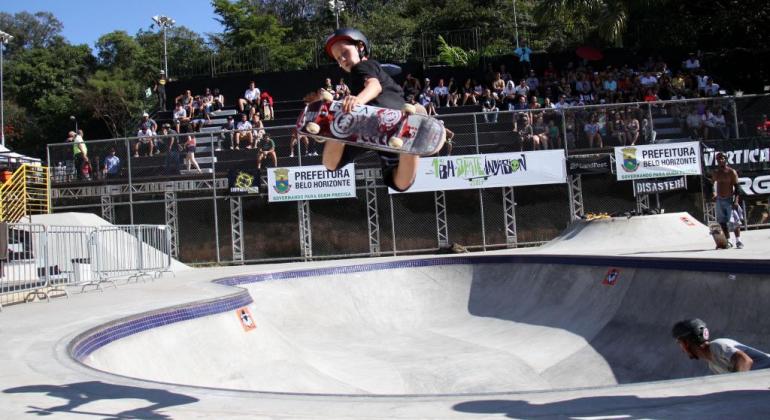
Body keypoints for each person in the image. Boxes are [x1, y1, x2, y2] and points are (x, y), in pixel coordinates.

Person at [322, 27, 428, 192]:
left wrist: (358, 100)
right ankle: (410, 140)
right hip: (387, 133)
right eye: (337, 58)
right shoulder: (368, 72)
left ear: (360, 47)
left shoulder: (363, 66)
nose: (342, 59)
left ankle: (339, 129)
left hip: (379, 118)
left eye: (344, 52)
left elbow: (374, 86)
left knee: (330, 162)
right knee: (401, 183)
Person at [671, 318, 770, 374]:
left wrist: (736, 387)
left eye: (680, 344)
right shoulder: (713, 365)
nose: (682, 350)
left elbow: (745, 361)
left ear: (685, 343)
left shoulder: (717, 345)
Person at [711, 152, 743, 248]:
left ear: (726, 159)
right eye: (718, 159)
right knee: (722, 222)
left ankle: (738, 241)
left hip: (730, 199)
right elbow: (711, 184)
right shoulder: (716, 173)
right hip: (720, 200)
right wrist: (714, 193)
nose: (720, 160)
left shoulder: (731, 172)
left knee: (735, 221)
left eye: (722, 158)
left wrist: (736, 201)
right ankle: (728, 241)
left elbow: (737, 188)